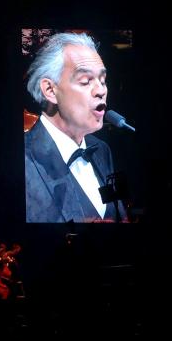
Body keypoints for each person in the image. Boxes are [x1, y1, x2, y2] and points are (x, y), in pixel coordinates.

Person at [24, 32, 125, 223]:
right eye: (86, 81)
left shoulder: (102, 150)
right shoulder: (23, 158)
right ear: (50, 90)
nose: (101, 90)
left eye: (103, 81)